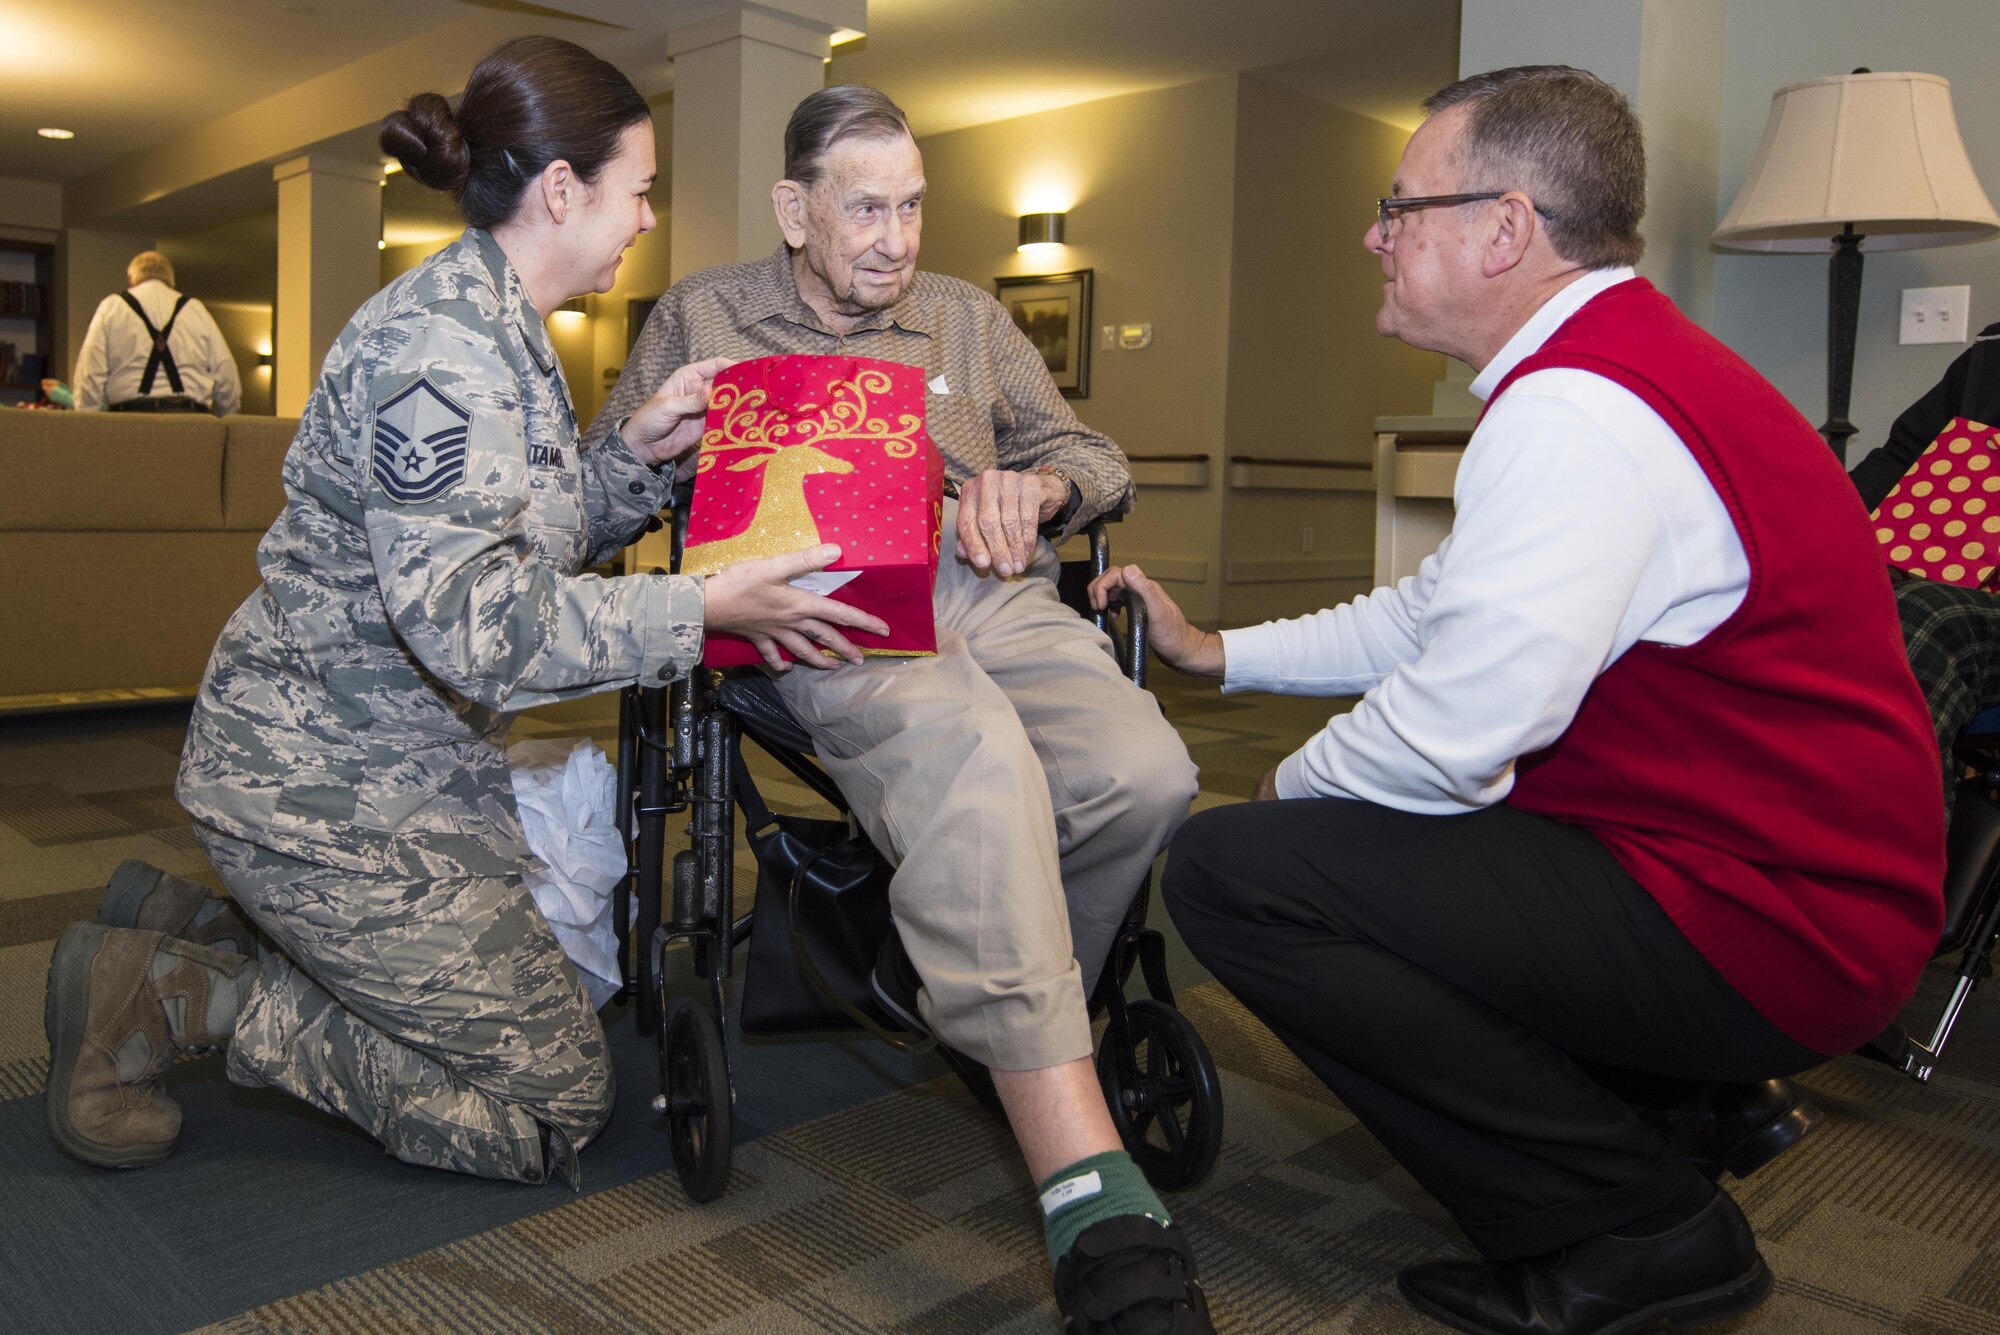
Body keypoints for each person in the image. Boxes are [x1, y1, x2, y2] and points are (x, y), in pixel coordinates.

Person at [1092, 65, 1945, 1335]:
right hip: (1773, 877)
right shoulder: (1617, 370)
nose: (1373, 235)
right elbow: (1432, 614)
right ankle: (1675, 1106)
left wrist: (1282, 788)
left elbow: (1454, 735)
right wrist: (1220, 652)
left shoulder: (1578, 417)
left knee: (1237, 871)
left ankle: (1635, 1229)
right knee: (1356, 842)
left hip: (1773, 922)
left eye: (1402, 206)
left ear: (1505, 227)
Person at [43, 36, 882, 1193]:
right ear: (558, 190)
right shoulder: (443, 349)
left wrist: (633, 459)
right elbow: (478, 630)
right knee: (544, 1109)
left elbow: (512, 538)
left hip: (400, 770)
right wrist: (696, 607)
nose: (646, 217)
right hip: (322, 786)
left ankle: (204, 926)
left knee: (532, 1018)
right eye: (636, 190)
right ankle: (190, 993)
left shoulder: (499, 324)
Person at [587, 83, 1209, 1334]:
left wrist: (1032, 491)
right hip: (815, 597)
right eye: (864, 207)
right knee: (970, 753)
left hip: (987, 586)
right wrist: (655, 453)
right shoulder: (704, 311)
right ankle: (1078, 1169)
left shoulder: (966, 322)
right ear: (793, 208)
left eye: (911, 205)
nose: (894, 235)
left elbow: (1101, 461)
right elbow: (602, 489)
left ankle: (990, 1001)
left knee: (1145, 776)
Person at [1850, 322, 2000, 826]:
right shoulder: (1991, 357)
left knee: (1929, 615)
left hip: (1952, 611)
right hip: (1940, 584)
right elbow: (1897, 464)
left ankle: (1878, 872)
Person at [74, 250, 242, 414]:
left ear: (131, 279)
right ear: (171, 280)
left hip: (131, 419)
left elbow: (90, 370)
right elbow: (226, 371)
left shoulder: (112, 307)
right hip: (190, 420)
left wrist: (88, 418)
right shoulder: (195, 309)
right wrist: (225, 417)